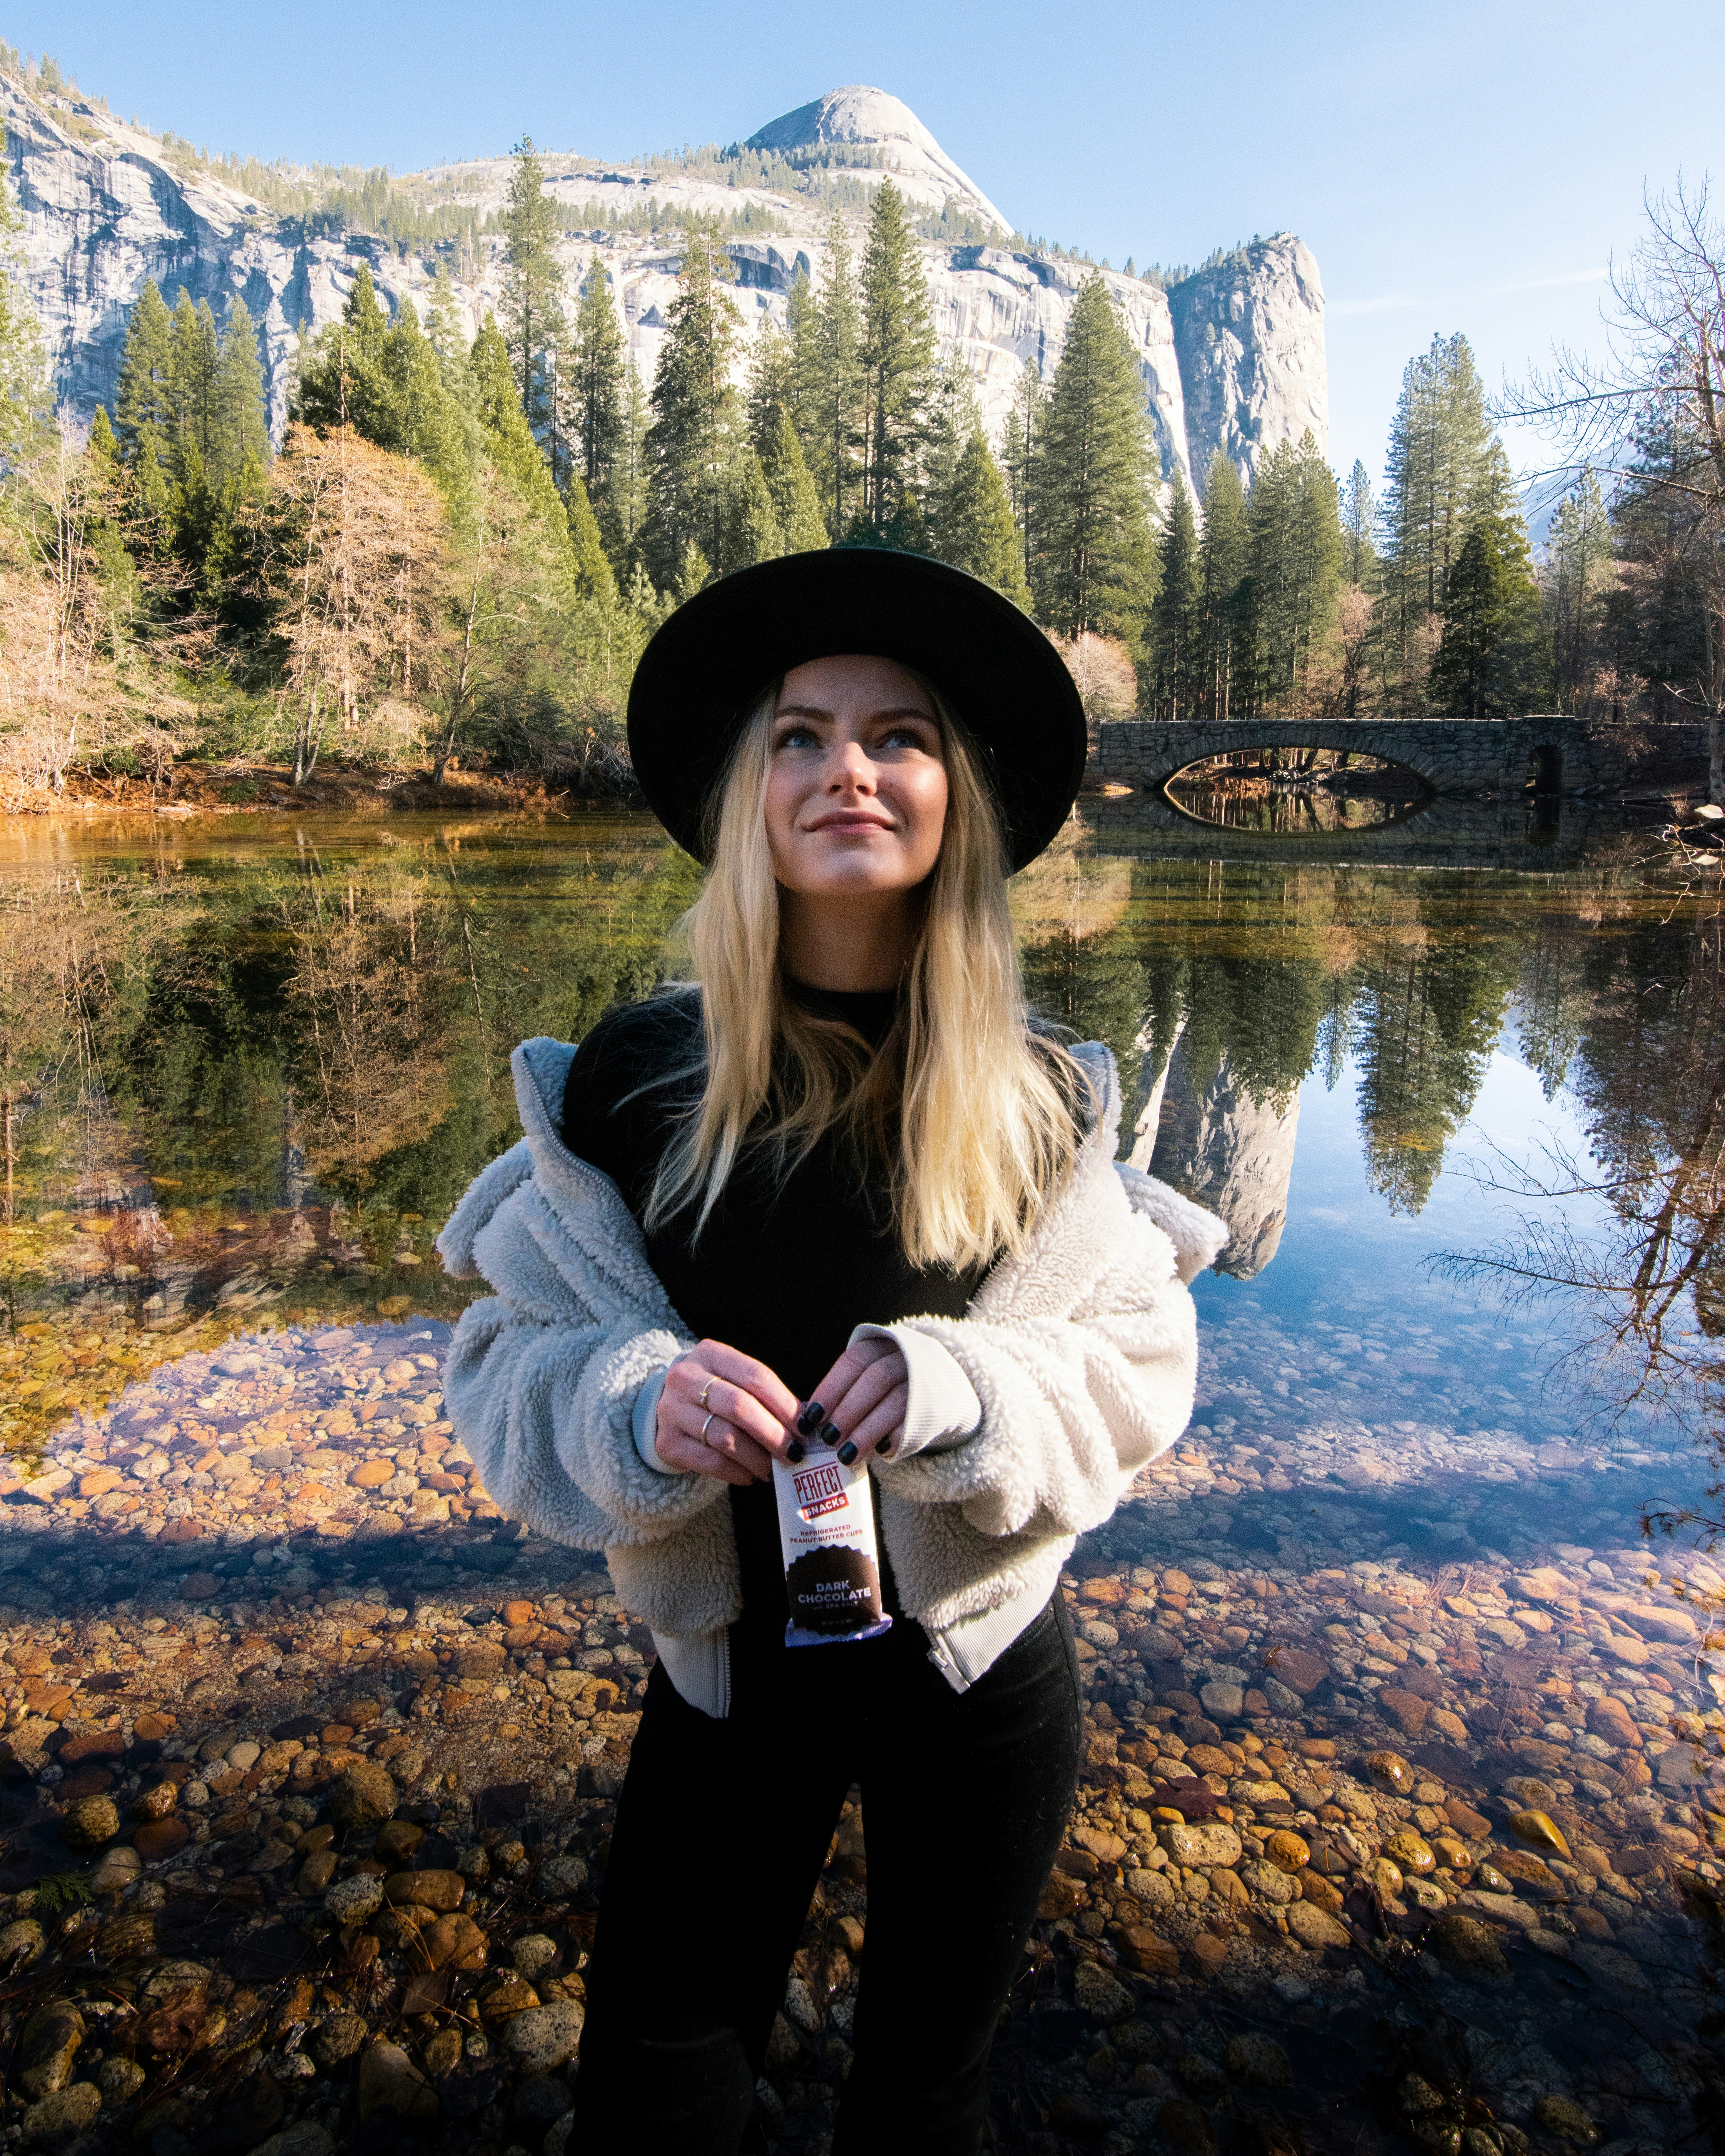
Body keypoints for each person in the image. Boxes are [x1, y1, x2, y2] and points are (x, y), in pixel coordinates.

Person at [436, 549, 1225, 2156]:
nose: (844, 769)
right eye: (797, 735)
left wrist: (970, 1392)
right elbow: (497, 1371)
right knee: (654, 2086)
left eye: (899, 736)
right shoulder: (629, 1091)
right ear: (748, 791)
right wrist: (626, 1403)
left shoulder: (1047, 1104)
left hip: (979, 1681)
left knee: (921, 2101)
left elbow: (1136, 1381)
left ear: (957, 796)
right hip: (725, 1691)